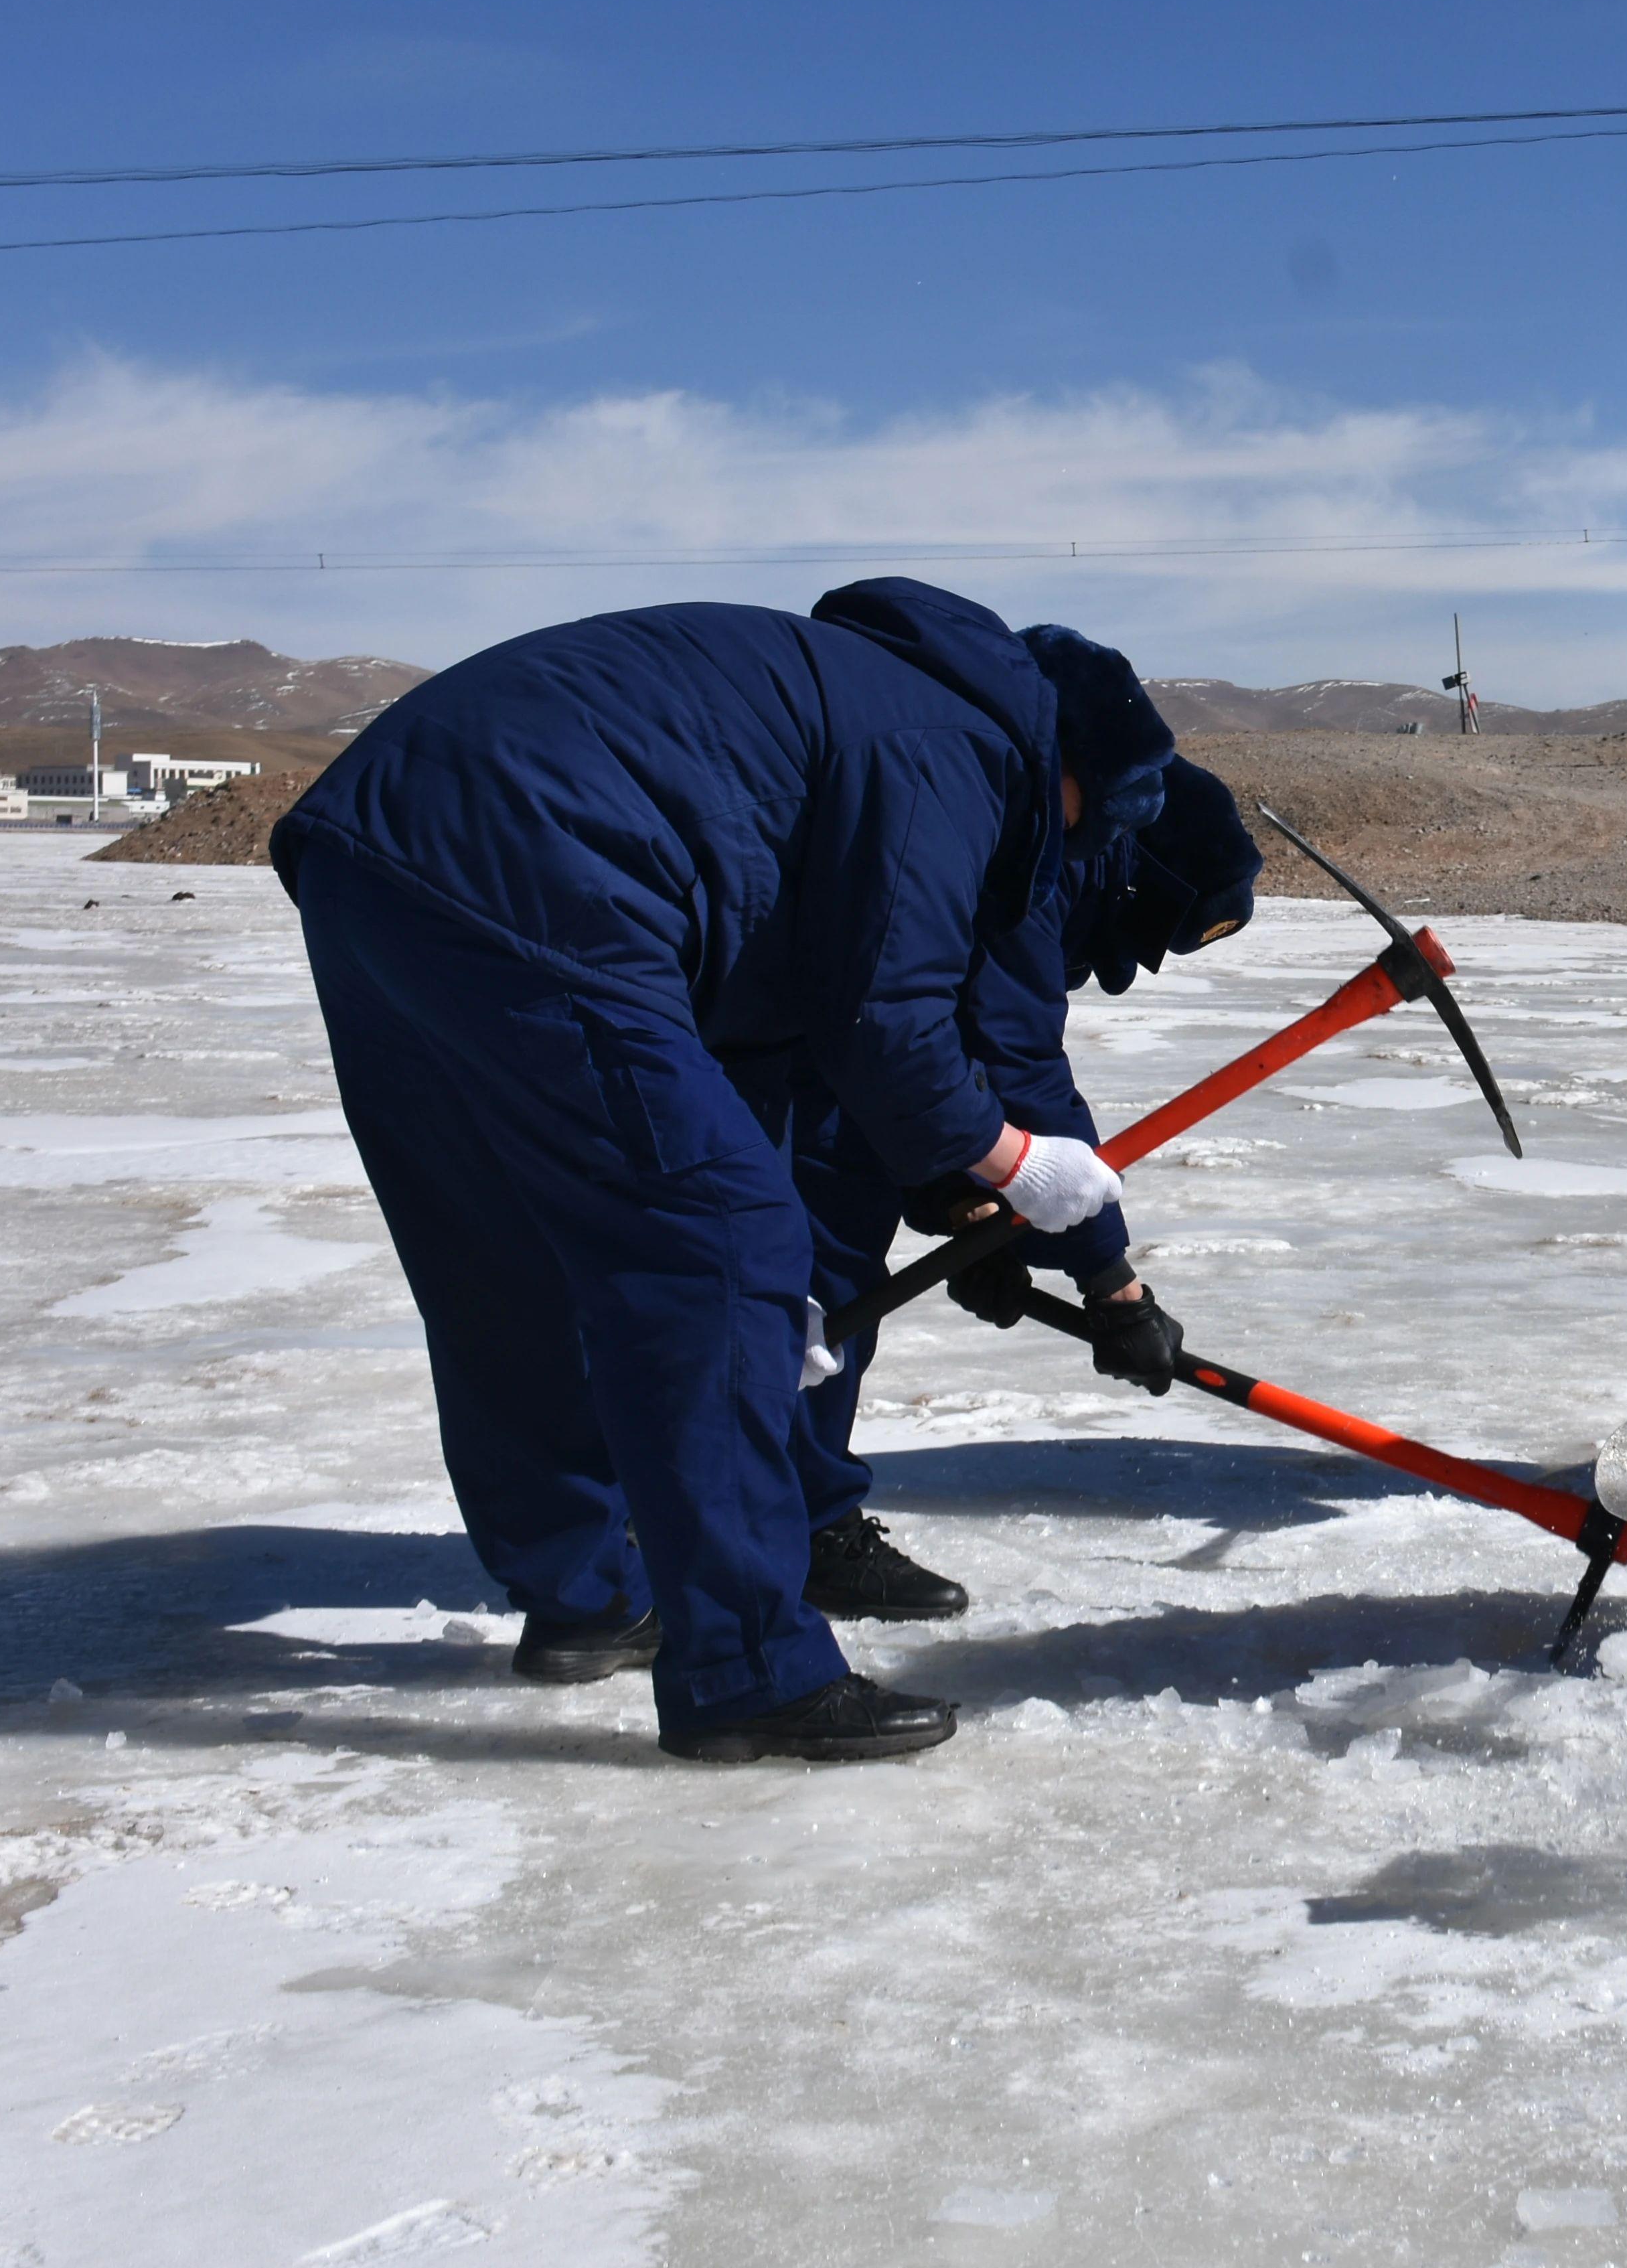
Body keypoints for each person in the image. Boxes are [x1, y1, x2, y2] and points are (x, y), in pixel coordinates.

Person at [273, 578, 1158, 1763]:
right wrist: (1013, 1163)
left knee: (500, 1251)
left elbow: (770, 1039)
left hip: (371, 844)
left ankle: (585, 1597)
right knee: (723, 1240)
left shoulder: (855, 704)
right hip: (545, 862)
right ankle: (748, 1672)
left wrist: (799, 1278)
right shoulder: (960, 751)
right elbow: (890, 1027)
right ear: (1073, 775)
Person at [787, 727, 1267, 1608]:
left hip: (826, 1045)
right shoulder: (1037, 860)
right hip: (805, 1054)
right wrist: (1111, 1284)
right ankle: (781, 1531)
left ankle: (734, 1522)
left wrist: (970, 1223)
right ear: (1138, 874)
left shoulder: (1040, 841)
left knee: (811, 1279)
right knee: (811, 1279)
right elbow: (1020, 1073)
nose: (1131, 969)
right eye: (1161, 934)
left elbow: (948, 1058)